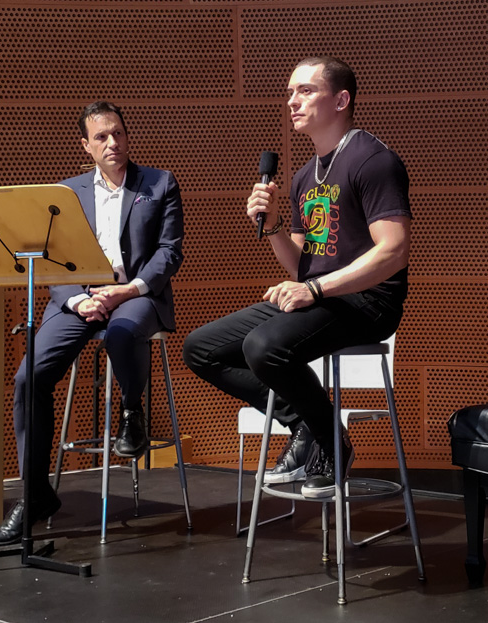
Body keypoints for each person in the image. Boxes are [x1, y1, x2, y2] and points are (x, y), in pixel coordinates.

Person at [183, 57, 411, 499]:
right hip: (321, 296)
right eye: (290, 92)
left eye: (305, 90)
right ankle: (308, 425)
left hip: (368, 302)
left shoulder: (373, 161)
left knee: (264, 346)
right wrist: (270, 226)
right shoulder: (306, 176)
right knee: (201, 349)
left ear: (341, 100)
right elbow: (303, 263)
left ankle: (331, 444)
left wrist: (314, 289)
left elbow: (394, 251)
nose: (292, 100)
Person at [0, 101, 185, 545]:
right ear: (86, 145)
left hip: (136, 294)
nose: (112, 143)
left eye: (118, 133)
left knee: (120, 332)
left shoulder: (159, 183)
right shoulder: (67, 192)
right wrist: (76, 300)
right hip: (77, 299)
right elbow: (51, 261)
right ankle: (36, 495)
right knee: (27, 378)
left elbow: (169, 252)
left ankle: (133, 412)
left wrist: (128, 290)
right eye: (101, 137)